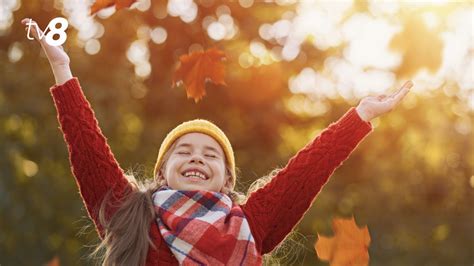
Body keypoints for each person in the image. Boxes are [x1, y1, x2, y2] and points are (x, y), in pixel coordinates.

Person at [22, 18, 413, 266]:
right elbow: (87, 147)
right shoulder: (130, 215)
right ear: (162, 172)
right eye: (185, 151)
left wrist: (359, 116)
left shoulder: (249, 223)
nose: (197, 158)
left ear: (227, 180)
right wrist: (62, 68)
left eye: (211, 154)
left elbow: (305, 172)